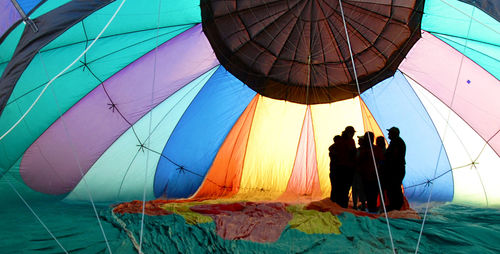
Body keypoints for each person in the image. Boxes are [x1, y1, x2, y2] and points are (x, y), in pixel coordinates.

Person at [329, 126, 356, 208]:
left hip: (339, 168)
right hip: (346, 169)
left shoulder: (340, 141)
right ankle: (342, 206)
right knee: (344, 189)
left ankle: (336, 205)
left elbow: (331, 148)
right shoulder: (350, 141)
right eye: (352, 133)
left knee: (338, 188)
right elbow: (352, 152)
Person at [357, 131, 383, 213]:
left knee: (370, 193)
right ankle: (372, 208)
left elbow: (359, 161)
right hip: (371, 175)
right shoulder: (374, 149)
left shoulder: (367, 150)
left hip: (371, 175)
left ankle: (372, 208)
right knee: (371, 193)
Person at [384, 127, 406, 211]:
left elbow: (394, 157)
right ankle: (394, 206)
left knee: (394, 188)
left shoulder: (397, 143)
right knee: (393, 188)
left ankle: (396, 206)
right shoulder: (396, 142)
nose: (388, 134)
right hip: (396, 169)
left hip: (396, 170)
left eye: (390, 133)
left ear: (394, 134)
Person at [352, 136, 366, 210]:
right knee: (356, 188)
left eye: (360, 140)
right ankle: (356, 204)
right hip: (356, 172)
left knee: (361, 188)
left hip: (361, 173)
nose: (358, 141)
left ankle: (362, 204)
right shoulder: (357, 150)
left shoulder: (365, 150)